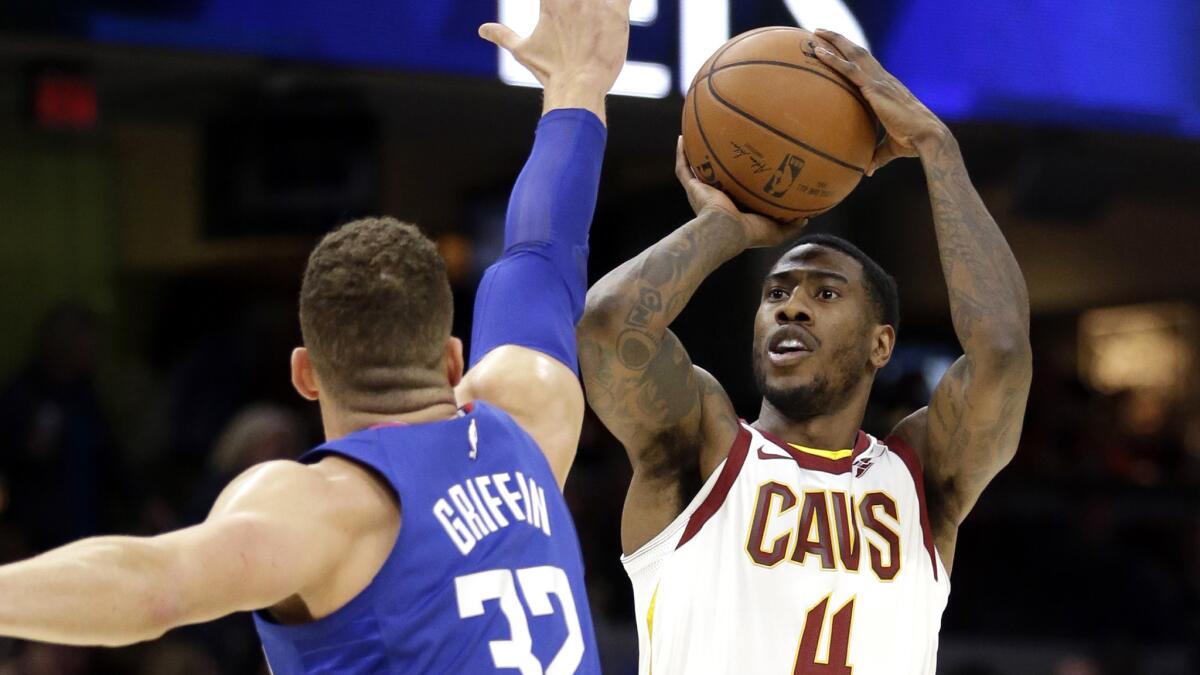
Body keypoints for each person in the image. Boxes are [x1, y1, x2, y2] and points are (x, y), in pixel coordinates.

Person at [0, 1, 630, 672]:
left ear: (305, 373)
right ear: (451, 360)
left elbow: (152, 585)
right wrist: (579, 82)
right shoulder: (529, 416)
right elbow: (541, 250)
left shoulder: (329, 508)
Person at [577, 30, 1032, 674]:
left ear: (882, 344)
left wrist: (937, 148)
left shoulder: (922, 475)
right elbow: (606, 325)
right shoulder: (700, 445)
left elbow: (1004, 353)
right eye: (777, 292)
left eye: (825, 292)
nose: (792, 305)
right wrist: (723, 228)